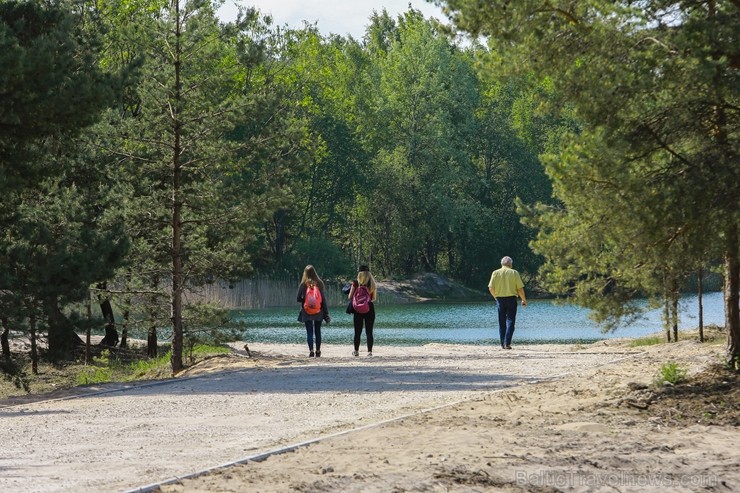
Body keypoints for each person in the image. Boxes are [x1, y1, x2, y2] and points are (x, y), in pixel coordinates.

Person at [488, 256, 527, 349]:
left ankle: (502, 343)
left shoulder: (495, 273)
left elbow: (490, 288)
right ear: (510, 264)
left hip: (500, 299)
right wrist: (523, 299)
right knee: (510, 321)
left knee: (502, 322)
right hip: (511, 299)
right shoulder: (514, 272)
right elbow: (520, 289)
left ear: (502, 264)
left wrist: (496, 297)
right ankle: (507, 343)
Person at [297, 265, 330, 357]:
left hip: (307, 311)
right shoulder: (319, 283)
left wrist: (305, 299)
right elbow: (323, 300)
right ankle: (318, 351)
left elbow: (298, 298)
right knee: (318, 331)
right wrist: (326, 314)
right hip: (319, 311)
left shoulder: (303, 284)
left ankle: (311, 350)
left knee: (309, 332)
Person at [348, 265, 377, 357]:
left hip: (357, 309)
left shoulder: (355, 283)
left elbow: (350, 296)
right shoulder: (372, 284)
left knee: (357, 331)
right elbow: (374, 299)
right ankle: (369, 352)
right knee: (369, 331)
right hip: (369, 308)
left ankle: (356, 351)